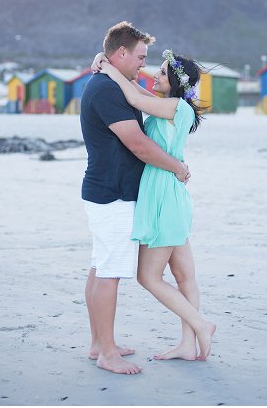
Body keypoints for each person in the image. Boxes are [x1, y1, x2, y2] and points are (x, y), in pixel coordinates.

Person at [93, 47, 216, 361]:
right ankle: (188, 344)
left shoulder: (176, 106)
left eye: (161, 72)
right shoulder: (170, 105)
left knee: (148, 277)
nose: (154, 75)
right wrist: (106, 63)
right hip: (169, 194)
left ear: (175, 81)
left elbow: (134, 99)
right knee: (184, 275)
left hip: (163, 196)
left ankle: (201, 325)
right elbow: (135, 91)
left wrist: (109, 72)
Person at [81, 22, 191, 375]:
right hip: (112, 194)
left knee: (102, 266)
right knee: (110, 271)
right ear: (122, 53)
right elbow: (138, 144)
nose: (143, 66)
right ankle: (107, 352)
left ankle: (99, 342)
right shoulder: (105, 90)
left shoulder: (113, 84)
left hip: (108, 191)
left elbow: (135, 95)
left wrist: (105, 61)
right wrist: (177, 167)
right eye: (140, 58)